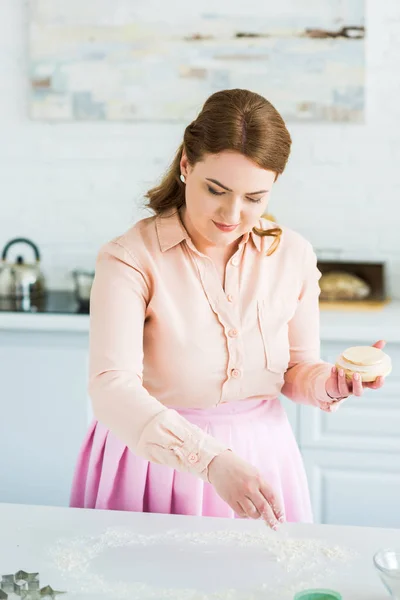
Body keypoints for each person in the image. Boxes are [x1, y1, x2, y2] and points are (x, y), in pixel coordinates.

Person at [70, 89, 385, 529]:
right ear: (185, 166)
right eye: (216, 190)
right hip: (156, 463)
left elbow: (297, 370)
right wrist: (211, 461)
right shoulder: (129, 258)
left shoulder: (292, 255)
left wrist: (329, 383)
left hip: (262, 459)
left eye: (255, 198)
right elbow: (110, 388)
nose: (232, 214)